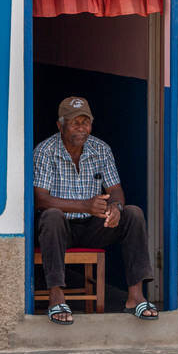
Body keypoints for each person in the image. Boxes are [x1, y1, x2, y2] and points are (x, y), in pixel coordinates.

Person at [33, 96, 158, 325]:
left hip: (93, 227)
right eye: (75, 123)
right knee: (51, 216)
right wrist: (85, 205)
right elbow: (40, 200)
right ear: (60, 126)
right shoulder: (45, 151)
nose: (82, 128)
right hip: (60, 230)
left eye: (86, 122)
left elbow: (116, 189)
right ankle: (56, 297)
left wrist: (116, 208)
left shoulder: (100, 148)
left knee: (133, 213)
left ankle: (135, 297)